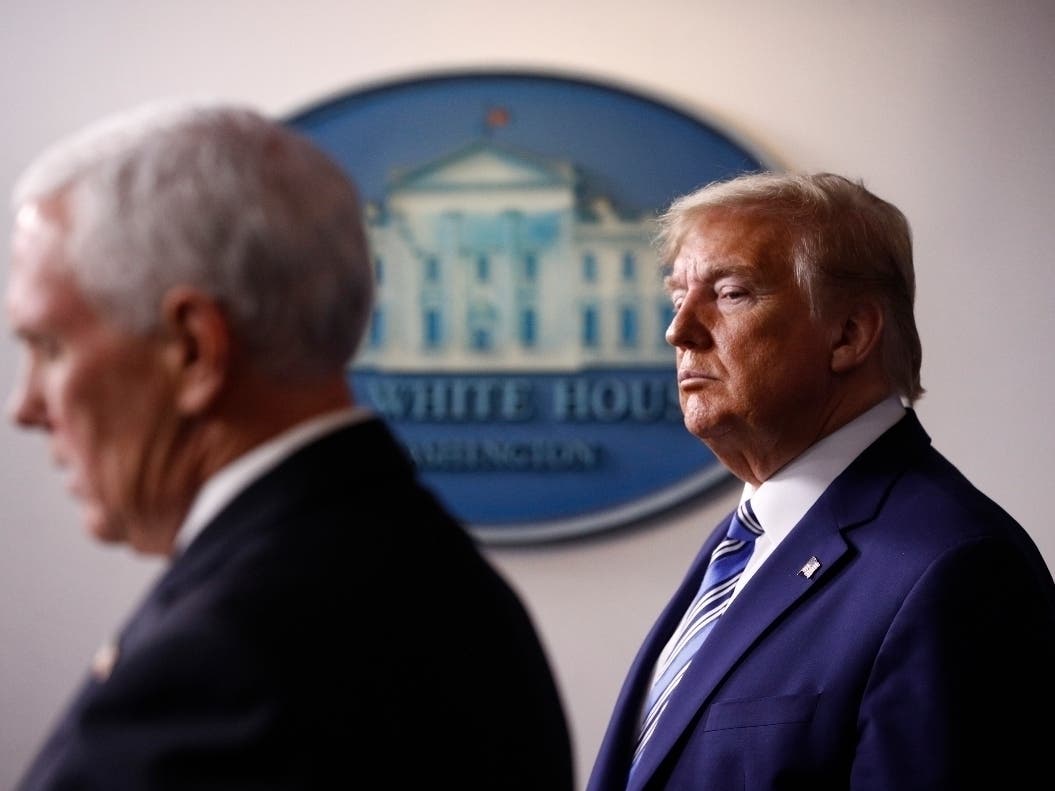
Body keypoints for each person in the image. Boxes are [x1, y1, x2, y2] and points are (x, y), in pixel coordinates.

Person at [6, 100, 574, 791]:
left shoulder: (229, 655)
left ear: (191, 349)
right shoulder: (434, 580)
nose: (26, 407)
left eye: (50, 347)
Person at [587, 171, 1055, 790]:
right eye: (678, 299)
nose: (679, 332)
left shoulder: (957, 570)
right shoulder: (748, 540)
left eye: (729, 294)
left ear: (849, 335)